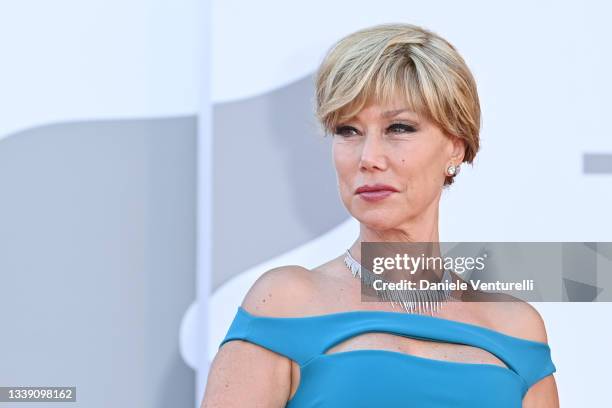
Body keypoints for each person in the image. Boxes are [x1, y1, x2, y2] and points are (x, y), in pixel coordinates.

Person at [200, 22, 559, 407]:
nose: (368, 158)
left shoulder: (517, 329)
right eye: (348, 130)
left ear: (456, 147)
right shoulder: (286, 302)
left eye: (398, 128)